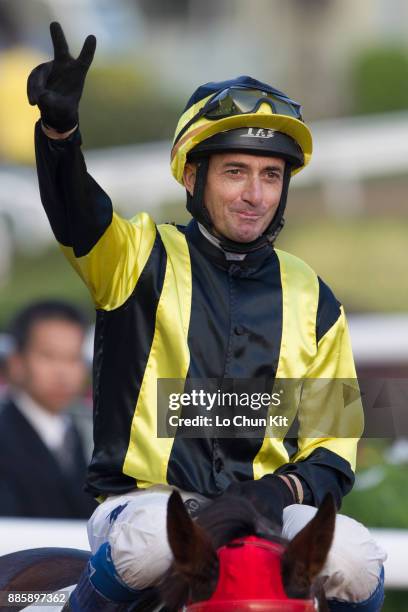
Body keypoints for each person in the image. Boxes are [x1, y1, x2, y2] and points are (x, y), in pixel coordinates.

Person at [27, 22, 386, 612]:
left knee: (355, 559)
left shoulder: (315, 298)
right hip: (147, 503)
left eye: (272, 175)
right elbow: (76, 215)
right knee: (148, 547)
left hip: (269, 510)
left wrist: (280, 490)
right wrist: (60, 136)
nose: (256, 194)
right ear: (193, 178)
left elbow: (334, 445)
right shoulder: (134, 258)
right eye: (236, 171)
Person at [0, 299, 96, 519]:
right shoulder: (5, 435)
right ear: (16, 362)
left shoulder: (83, 435)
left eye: (73, 358)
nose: (62, 372)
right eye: (48, 356)